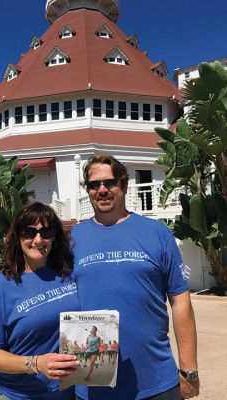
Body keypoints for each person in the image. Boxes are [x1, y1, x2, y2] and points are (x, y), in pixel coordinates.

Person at [71, 155, 200, 400]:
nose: (102, 190)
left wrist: (189, 369)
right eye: (93, 185)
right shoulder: (73, 240)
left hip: (157, 382)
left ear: (124, 185)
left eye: (110, 183)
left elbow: (181, 301)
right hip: (93, 385)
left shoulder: (156, 233)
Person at [0, 202, 80, 400]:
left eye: (46, 232)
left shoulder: (67, 275)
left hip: (66, 394)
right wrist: (36, 364)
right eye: (29, 232)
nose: (38, 240)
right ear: (17, 237)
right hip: (18, 396)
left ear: (55, 237)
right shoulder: (1, 286)